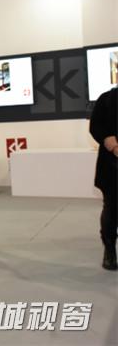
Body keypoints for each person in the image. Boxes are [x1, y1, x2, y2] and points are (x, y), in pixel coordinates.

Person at [89, 86, 117, 270]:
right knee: (112, 209)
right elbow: (95, 127)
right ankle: (109, 249)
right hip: (112, 166)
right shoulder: (107, 99)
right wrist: (111, 143)